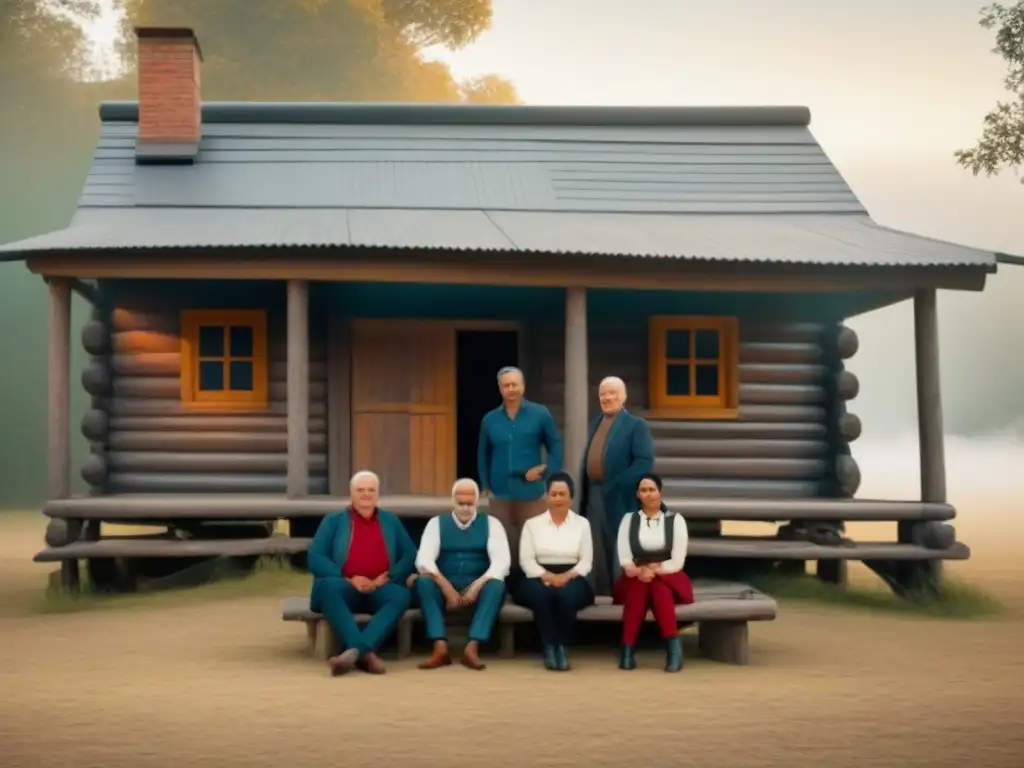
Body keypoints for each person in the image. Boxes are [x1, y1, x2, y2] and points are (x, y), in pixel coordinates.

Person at [306, 470, 417, 676]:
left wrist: (389, 577)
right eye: (360, 490)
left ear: (377, 494)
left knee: (401, 595)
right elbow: (316, 557)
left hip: (378, 588)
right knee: (329, 587)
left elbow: (410, 554)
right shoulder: (333, 520)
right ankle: (365, 653)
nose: (366, 494)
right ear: (351, 494)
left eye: (371, 490)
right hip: (344, 587)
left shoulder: (390, 521)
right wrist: (348, 577)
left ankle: (353, 652)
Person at [413, 477, 511, 671]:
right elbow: (423, 560)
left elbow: (502, 563)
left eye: (470, 503)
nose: (465, 508)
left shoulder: (492, 524)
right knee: (423, 583)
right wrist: (445, 586)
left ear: (476, 502)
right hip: (445, 583)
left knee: (496, 585)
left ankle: (472, 648)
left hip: (477, 584)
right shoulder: (437, 523)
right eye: (461, 503)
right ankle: (440, 648)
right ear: (453, 501)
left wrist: (477, 585)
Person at [477, 366, 563, 576]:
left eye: (515, 384)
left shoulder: (540, 414)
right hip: (500, 493)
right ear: (500, 389)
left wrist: (546, 472)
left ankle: (533, 587)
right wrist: (485, 485)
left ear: (523, 387)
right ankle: (506, 590)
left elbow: (556, 446)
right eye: (506, 385)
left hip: (531, 493)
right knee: (503, 545)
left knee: (535, 542)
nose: (511, 389)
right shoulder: (490, 420)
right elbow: (482, 455)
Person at [578, 376, 655, 595]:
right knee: (595, 548)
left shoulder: (636, 426)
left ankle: (621, 597)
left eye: (612, 392)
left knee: (619, 548)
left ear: (624, 396)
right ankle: (597, 596)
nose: (607, 397)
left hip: (620, 495)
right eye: (603, 393)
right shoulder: (595, 423)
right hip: (593, 492)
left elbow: (644, 462)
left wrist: (616, 484)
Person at [514, 471, 595, 671]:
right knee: (543, 596)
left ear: (571, 497)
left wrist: (566, 577)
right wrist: (547, 576)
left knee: (567, 596)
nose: (558, 498)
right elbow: (526, 560)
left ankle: (562, 647)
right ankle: (550, 647)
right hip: (538, 575)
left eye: (562, 494)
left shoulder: (582, 524)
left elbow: (586, 561)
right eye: (554, 494)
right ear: (547, 496)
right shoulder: (532, 525)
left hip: (572, 575)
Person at [613, 473, 693, 673]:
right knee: (640, 588)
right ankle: (637, 649)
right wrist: (639, 571)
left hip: (668, 575)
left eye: (652, 490)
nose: (648, 494)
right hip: (635, 576)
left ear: (660, 493)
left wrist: (655, 571)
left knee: (659, 589)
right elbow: (624, 557)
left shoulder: (676, 520)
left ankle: (632, 649)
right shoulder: (628, 520)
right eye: (643, 490)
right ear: (637, 495)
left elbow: (677, 561)